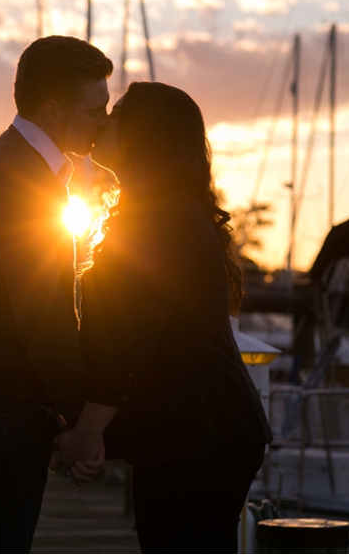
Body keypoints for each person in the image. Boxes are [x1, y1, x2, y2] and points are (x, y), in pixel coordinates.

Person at [50, 82, 274, 553]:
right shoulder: (154, 213)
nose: (106, 120)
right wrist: (99, 434)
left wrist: (88, 433)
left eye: (119, 114)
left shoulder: (165, 218)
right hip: (187, 435)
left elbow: (131, 339)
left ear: (146, 134)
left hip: (203, 438)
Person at [0, 36, 113, 553]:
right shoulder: (19, 177)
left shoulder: (29, 169)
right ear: (53, 110)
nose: (102, 120)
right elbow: (42, 312)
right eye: (94, 109)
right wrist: (84, 421)